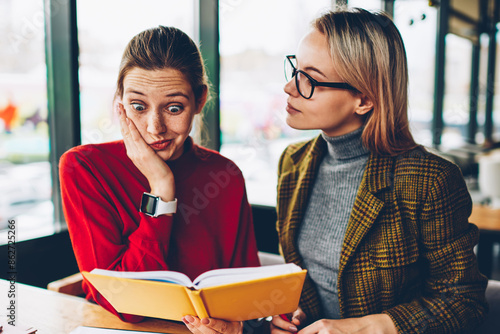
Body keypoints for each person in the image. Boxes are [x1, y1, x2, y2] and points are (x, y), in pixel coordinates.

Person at [186, 8, 488, 334]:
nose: (289, 87)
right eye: (295, 69)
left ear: (364, 99)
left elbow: (463, 303)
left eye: (310, 79)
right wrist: (280, 315)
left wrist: (365, 328)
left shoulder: (430, 180)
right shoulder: (294, 162)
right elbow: (308, 283)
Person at [59, 26, 260, 323]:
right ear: (120, 104)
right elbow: (127, 305)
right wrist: (161, 189)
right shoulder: (84, 168)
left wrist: (240, 325)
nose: (155, 127)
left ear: (200, 101)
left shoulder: (225, 175)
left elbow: (248, 296)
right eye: (138, 107)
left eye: (174, 108)